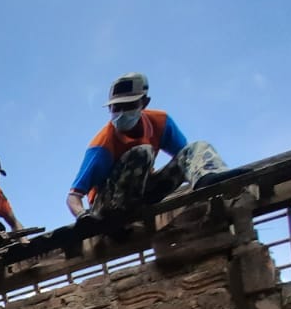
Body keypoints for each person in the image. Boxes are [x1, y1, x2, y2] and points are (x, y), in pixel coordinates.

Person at [66, 72, 226, 220]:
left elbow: (186, 159)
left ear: (144, 103)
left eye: (128, 106)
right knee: (143, 152)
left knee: (196, 148)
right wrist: (82, 216)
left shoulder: (160, 122)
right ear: (109, 108)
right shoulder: (102, 145)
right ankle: (120, 215)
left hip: (142, 193)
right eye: (116, 108)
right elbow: (73, 196)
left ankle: (209, 182)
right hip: (107, 206)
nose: (121, 113)